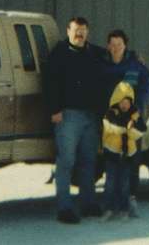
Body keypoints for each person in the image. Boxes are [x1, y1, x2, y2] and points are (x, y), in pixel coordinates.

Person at [43, 16, 105, 224]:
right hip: (68, 116)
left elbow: (118, 55)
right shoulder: (59, 54)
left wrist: (136, 57)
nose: (80, 33)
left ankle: (88, 203)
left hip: (91, 116)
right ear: (68, 31)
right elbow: (49, 82)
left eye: (83, 30)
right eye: (76, 30)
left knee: (89, 162)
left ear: (87, 32)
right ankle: (64, 208)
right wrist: (54, 110)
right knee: (67, 161)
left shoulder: (95, 53)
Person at [103, 28, 149, 216]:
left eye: (119, 44)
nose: (116, 48)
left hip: (132, 120)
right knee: (112, 161)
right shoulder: (103, 66)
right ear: (108, 46)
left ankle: (131, 200)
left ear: (125, 46)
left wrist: (137, 107)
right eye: (113, 44)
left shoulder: (136, 66)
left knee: (132, 160)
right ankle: (111, 205)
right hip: (111, 122)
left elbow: (147, 85)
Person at [100, 81, 146, 220]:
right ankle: (108, 209)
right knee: (110, 183)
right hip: (112, 153)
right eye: (122, 101)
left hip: (126, 155)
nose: (125, 104)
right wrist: (124, 129)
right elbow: (108, 128)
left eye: (128, 102)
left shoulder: (135, 116)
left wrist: (132, 128)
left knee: (124, 183)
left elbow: (141, 130)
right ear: (116, 101)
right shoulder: (110, 114)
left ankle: (124, 209)